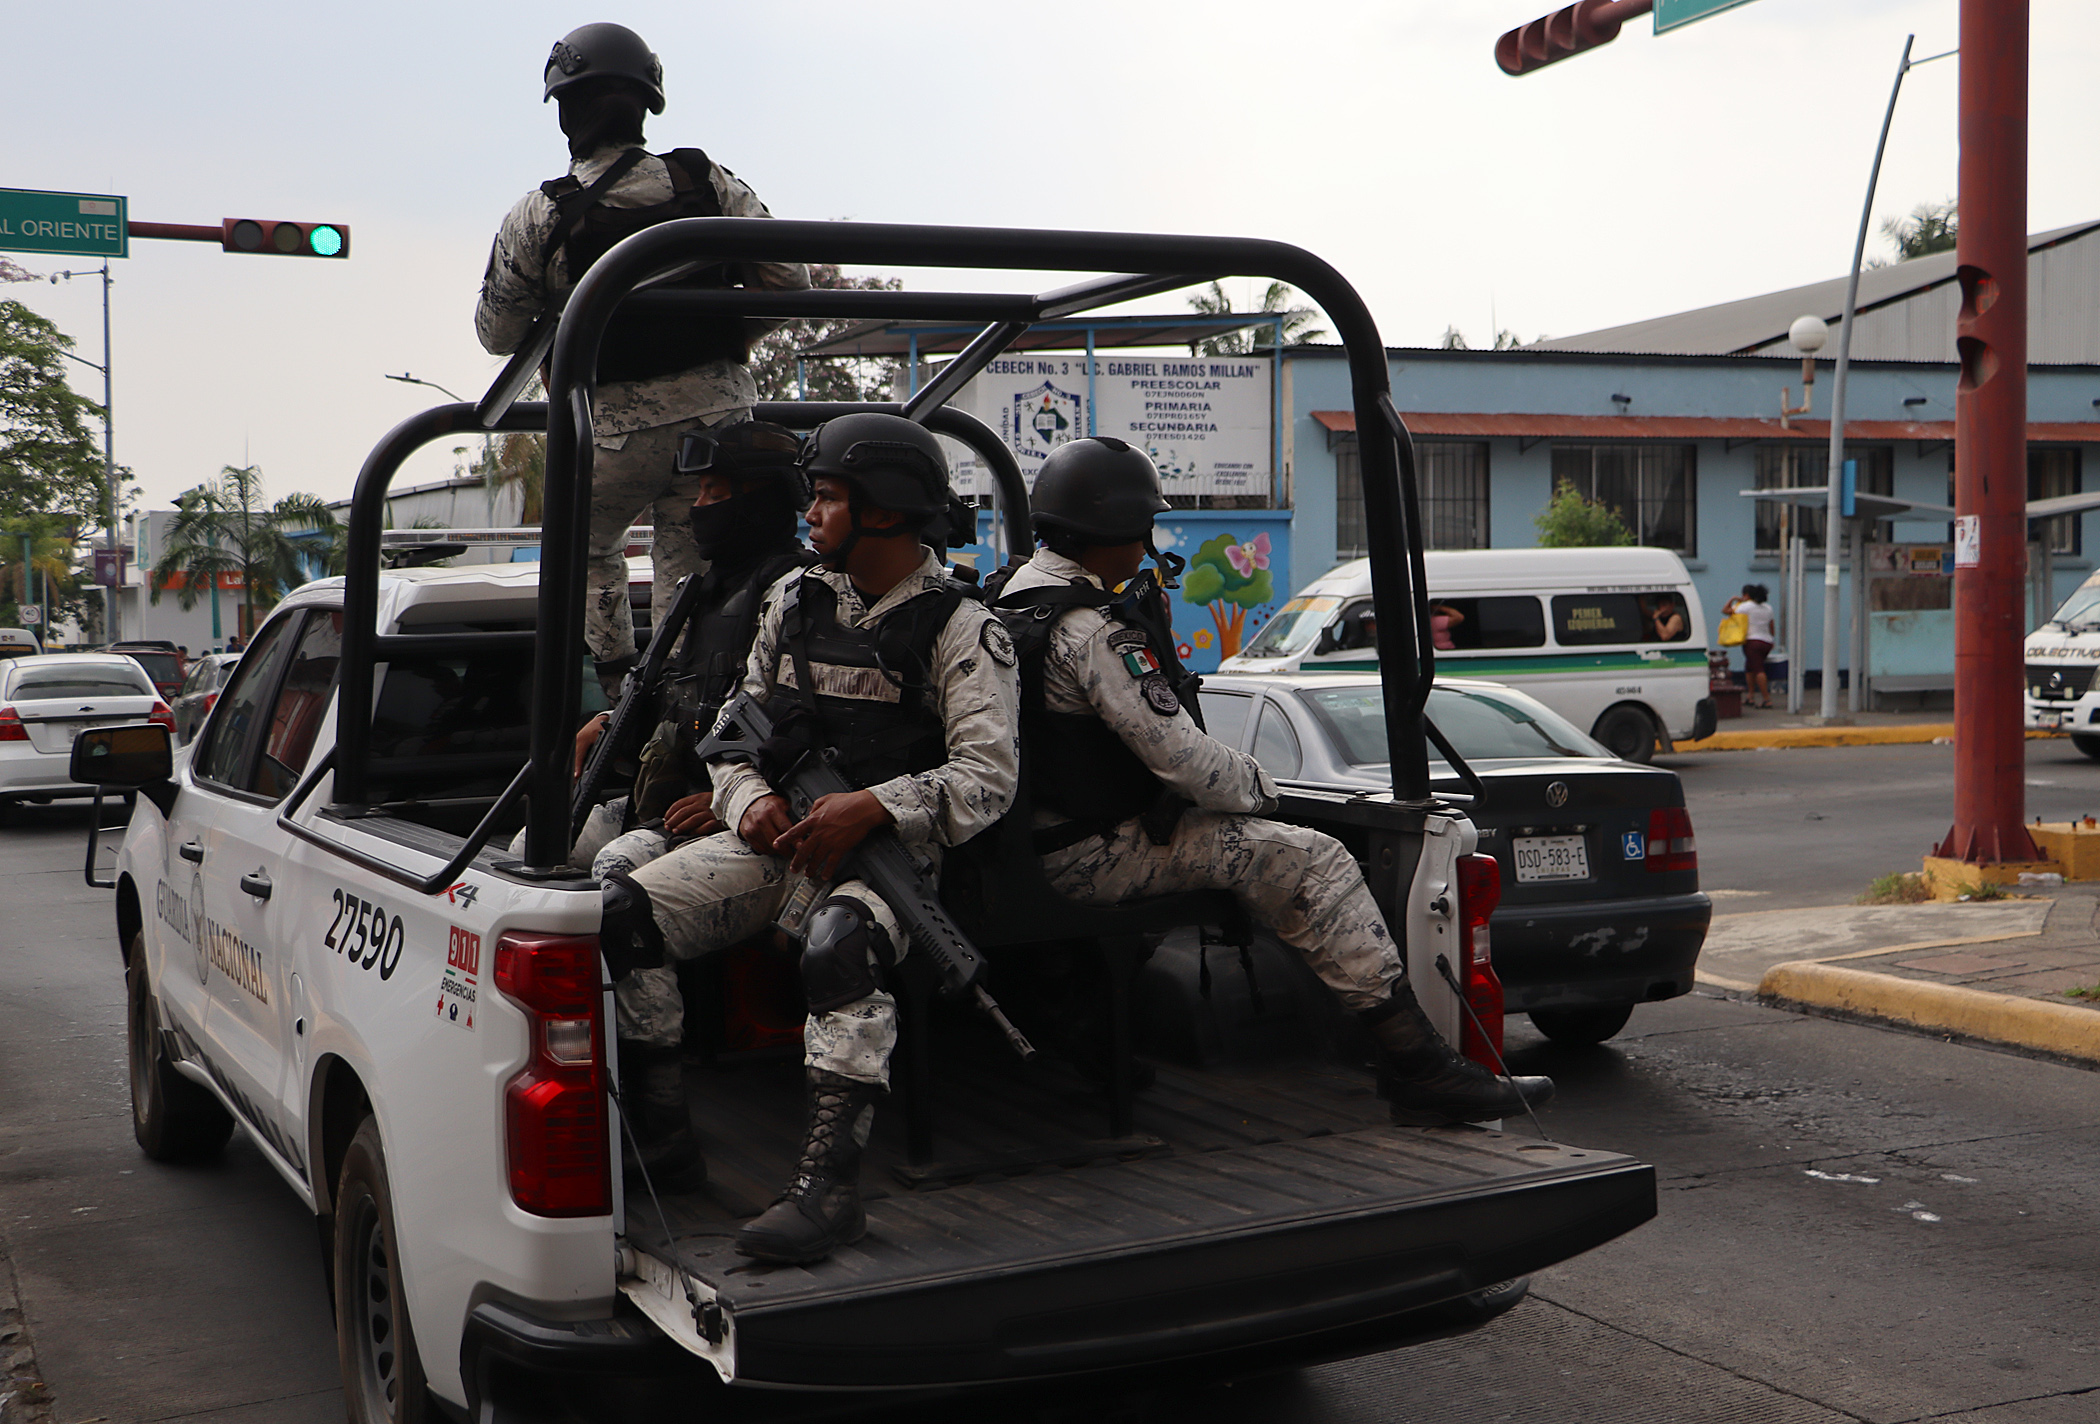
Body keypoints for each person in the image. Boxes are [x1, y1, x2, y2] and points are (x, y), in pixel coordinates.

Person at [992, 437, 1553, 1129]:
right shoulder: (1094, 632)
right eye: (1144, 530)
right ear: (1116, 530)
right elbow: (1186, 764)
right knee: (1313, 860)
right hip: (1091, 855)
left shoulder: (1007, 600)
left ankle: (1094, 1045)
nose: (1148, 546)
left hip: (1026, 846)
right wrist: (1266, 795)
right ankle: (1422, 1068)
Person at [600, 413, 1020, 1264]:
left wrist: (874, 806)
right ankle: (665, 1129)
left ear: (891, 510)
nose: (812, 513)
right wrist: (746, 798)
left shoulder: (963, 628)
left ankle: (829, 1192)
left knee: (840, 945)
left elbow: (987, 778)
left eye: (828, 498)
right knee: (621, 912)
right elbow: (733, 725)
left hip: (894, 857)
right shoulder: (793, 598)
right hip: (780, 836)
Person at [475, 22, 811, 692]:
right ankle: (685, 689)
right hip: (721, 427)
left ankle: (621, 684)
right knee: (688, 567)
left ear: (567, 111)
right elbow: (790, 281)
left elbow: (496, 332)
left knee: (583, 545)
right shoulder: (705, 181)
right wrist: (734, 338)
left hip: (614, 436)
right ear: (647, 103)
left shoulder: (541, 215)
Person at [1724, 584, 1775, 707]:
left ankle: (1766, 699)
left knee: (1758, 669)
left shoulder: (1746, 607)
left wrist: (1734, 600)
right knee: (1749, 667)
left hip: (1753, 642)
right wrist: (1772, 640)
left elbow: (1725, 610)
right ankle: (1750, 696)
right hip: (1766, 641)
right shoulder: (1768, 608)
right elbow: (1771, 626)